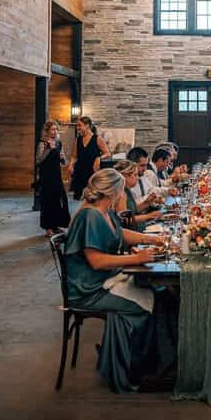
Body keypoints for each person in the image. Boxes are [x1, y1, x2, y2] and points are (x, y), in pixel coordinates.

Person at [63, 168, 160, 393]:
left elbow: (121, 233)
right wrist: (136, 258)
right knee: (142, 307)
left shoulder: (103, 211)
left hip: (103, 280)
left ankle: (127, 358)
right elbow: (96, 261)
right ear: (114, 192)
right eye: (122, 190)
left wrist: (151, 239)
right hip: (88, 288)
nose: (125, 194)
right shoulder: (90, 216)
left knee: (153, 292)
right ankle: (125, 368)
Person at [36, 120, 70, 236]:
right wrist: (48, 149)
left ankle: (55, 225)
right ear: (46, 131)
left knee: (59, 201)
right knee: (47, 202)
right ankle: (48, 228)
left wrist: (63, 158)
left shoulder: (59, 143)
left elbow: (64, 162)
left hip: (56, 176)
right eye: (52, 129)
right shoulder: (43, 143)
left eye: (56, 129)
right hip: (46, 177)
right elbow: (38, 160)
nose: (55, 131)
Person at [113, 160, 163, 230]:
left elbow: (133, 210)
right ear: (124, 176)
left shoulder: (127, 190)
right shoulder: (121, 194)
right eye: (135, 175)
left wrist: (147, 202)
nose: (138, 178)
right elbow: (126, 220)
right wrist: (148, 216)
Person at [68, 117, 109, 201]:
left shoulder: (97, 138)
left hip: (92, 172)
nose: (77, 128)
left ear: (87, 126)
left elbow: (107, 153)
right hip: (79, 172)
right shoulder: (78, 139)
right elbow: (74, 156)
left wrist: (99, 158)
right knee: (78, 198)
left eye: (79, 125)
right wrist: (71, 164)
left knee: (92, 198)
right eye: (77, 126)